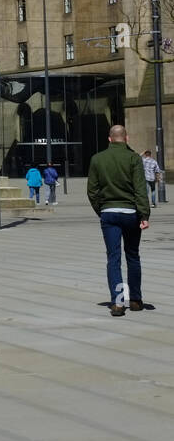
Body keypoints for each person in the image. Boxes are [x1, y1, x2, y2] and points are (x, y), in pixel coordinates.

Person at [87, 125, 150, 316]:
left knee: (113, 258)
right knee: (132, 256)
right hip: (131, 213)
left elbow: (92, 191)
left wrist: (102, 210)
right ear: (127, 138)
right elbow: (140, 188)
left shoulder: (97, 159)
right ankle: (136, 300)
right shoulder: (133, 158)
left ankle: (118, 302)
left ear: (109, 139)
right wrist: (144, 214)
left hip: (109, 213)